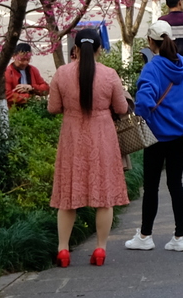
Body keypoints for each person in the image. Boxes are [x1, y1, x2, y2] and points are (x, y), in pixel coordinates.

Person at [46, 28, 130, 267]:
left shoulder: (62, 74)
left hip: (72, 137)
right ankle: (100, 250)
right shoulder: (109, 74)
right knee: (104, 197)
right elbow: (122, 108)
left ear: (75, 49)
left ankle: (63, 250)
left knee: (67, 196)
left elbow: (52, 108)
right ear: (99, 48)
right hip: (102, 136)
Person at [125, 28, 183, 251]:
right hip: (181, 133)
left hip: (157, 135)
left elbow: (144, 101)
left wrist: (142, 115)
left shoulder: (152, 68)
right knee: (176, 183)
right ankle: (180, 237)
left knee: (151, 186)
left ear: (149, 42)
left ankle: (145, 236)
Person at [5, 40, 49, 107]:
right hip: (13, 109)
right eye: (22, 60)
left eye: (28, 59)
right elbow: (7, 95)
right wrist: (29, 97)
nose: (25, 63)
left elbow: (46, 88)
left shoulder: (33, 70)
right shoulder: (7, 72)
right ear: (14, 56)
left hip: (31, 108)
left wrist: (32, 87)